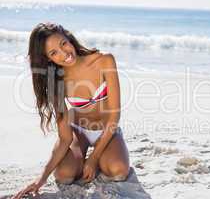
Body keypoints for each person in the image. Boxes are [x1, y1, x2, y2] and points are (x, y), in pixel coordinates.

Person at [13, 22, 130, 199]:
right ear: (48, 58)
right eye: (53, 53)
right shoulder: (57, 81)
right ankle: (83, 156)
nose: (64, 53)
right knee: (64, 176)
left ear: (68, 37)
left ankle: (100, 156)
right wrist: (41, 179)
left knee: (118, 171)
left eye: (63, 44)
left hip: (108, 130)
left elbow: (115, 115)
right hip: (79, 131)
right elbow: (65, 137)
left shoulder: (104, 60)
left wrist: (93, 158)